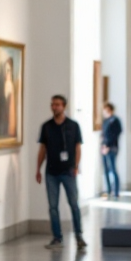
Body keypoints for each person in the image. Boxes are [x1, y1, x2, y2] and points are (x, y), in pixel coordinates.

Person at [36, 95, 86, 252]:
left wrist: (76, 166)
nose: (54, 107)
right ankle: (57, 237)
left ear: (64, 106)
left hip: (68, 171)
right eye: (53, 104)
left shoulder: (73, 125)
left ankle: (79, 236)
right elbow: (42, 149)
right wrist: (38, 168)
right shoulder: (47, 126)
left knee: (74, 204)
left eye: (57, 104)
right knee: (53, 206)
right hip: (51, 171)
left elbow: (78, 147)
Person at [101, 102, 122, 199]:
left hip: (112, 148)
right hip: (104, 147)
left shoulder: (115, 120)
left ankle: (116, 191)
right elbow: (104, 134)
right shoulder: (105, 121)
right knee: (105, 169)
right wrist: (103, 146)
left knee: (113, 169)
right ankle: (108, 190)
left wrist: (108, 146)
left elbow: (115, 134)